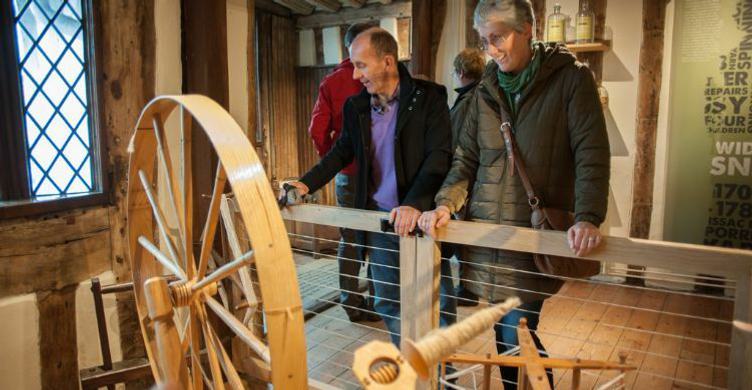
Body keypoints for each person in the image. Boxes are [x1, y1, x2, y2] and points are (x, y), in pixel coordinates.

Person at [417, 0, 610, 388]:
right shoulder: (485, 89)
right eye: (485, 41)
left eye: (498, 37)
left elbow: (591, 152)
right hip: (487, 235)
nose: (492, 49)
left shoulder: (571, 80)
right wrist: (445, 204)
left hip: (530, 238)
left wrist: (588, 215)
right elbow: (466, 160)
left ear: (528, 30)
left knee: (515, 332)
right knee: (509, 334)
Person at [283, 27, 457, 346]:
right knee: (388, 300)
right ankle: (411, 362)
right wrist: (306, 183)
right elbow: (341, 151)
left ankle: (439, 375)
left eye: (361, 66)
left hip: (423, 220)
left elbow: (439, 158)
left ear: (387, 62)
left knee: (439, 306)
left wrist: (415, 203)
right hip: (380, 219)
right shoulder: (356, 106)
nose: (355, 75)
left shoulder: (430, 97)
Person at [307, 22, 379, 322]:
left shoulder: (332, 82)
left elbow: (317, 130)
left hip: (348, 173)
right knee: (379, 236)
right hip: (380, 173)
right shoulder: (380, 76)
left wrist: (333, 157)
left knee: (349, 237)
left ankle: (351, 302)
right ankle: (379, 299)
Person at [448, 48, 486, 307]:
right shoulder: (485, 96)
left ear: (461, 73)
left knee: (464, 232)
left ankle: (468, 289)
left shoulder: (467, 102)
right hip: (481, 176)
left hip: (466, 176)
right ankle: (469, 287)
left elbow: (457, 143)